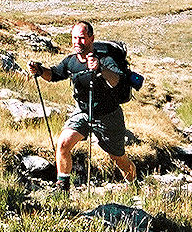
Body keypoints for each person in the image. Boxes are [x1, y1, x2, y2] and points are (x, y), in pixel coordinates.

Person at [28, 20, 136, 195]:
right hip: (83, 112)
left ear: (91, 38)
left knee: (118, 157)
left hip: (108, 115)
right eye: (74, 38)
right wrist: (39, 70)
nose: (77, 42)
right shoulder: (71, 62)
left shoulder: (105, 60)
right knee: (63, 144)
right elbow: (54, 75)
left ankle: (133, 185)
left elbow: (116, 80)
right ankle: (62, 189)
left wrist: (100, 68)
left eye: (81, 38)